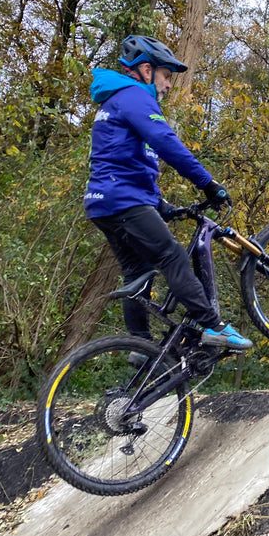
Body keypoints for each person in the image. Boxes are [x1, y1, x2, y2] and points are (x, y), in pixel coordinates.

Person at [84, 34, 253, 352]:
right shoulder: (133, 96)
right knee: (171, 255)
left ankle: (140, 348)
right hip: (123, 200)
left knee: (138, 272)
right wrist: (207, 183)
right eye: (166, 76)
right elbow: (166, 144)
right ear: (146, 70)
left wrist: (160, 204)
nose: (169, 85)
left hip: (104, 202)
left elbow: (124, 160)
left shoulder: (116, 99)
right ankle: (211, 324)